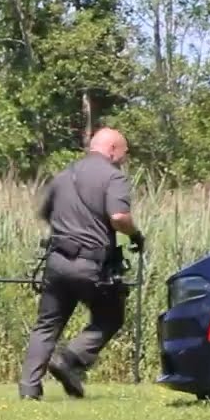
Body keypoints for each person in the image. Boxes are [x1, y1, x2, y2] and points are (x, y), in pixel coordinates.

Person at [19, 127, 146, 400]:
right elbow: (119, 217)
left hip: (57, 260)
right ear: (112, 149)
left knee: (46, 324)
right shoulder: (113, 177)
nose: (124, 159)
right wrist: (136, 235)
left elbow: (44, 213)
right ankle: (70, 359)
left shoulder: (64, 176)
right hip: (91, 263)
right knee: (111, 316)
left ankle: (29, 389)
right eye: (123, 153)